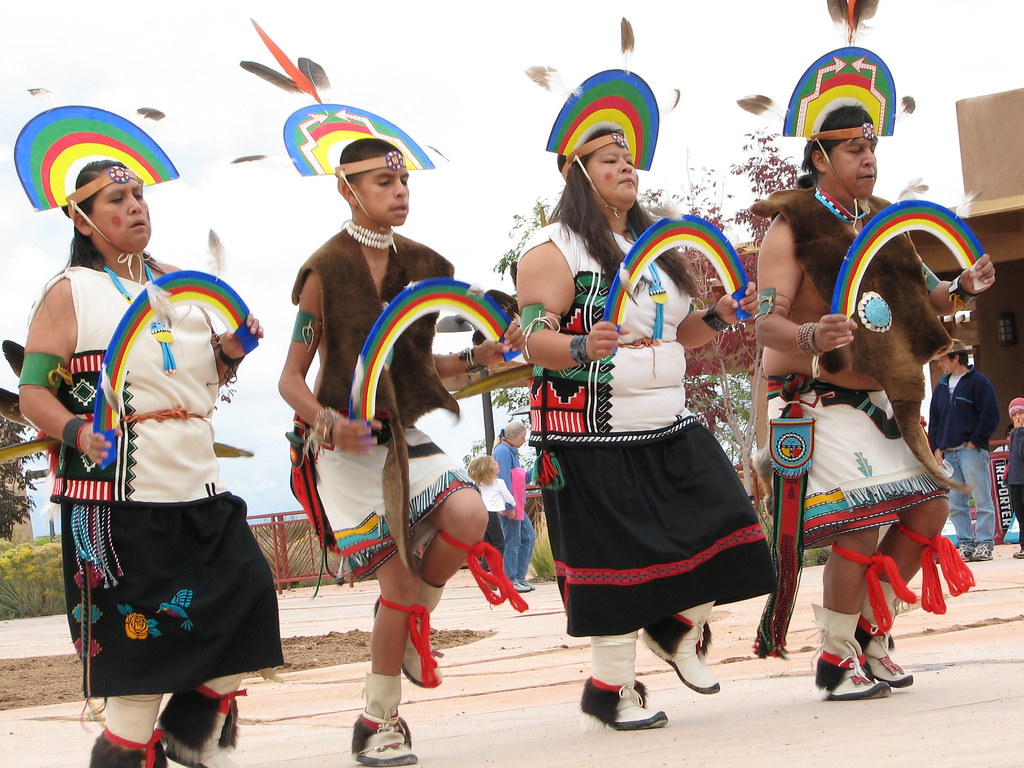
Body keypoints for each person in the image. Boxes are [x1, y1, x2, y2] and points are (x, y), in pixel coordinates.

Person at [516, 67, 775, 732]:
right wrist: (581, 346)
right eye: (610, 159)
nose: (626, 167)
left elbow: (678, 335)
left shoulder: (655, 247)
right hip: (589, 433)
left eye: (629, 157)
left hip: (667, 420)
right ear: (579, 172)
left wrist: (719, 316)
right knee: (614, 566)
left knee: (731, 524)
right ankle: (612, 691)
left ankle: (677, 628)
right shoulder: (552, 251)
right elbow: (534, 340)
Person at [17, 157, 282, 768]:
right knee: (136, 669)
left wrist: (231, 351)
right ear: (82, 219)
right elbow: (33, 394)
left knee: (249, 603)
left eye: (138, 194)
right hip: (117, 501)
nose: (135, 205)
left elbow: (198, 379)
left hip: (200, 485)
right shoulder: (69, 292)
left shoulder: (180, 288)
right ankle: (131, 751)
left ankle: (186, 734)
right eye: (116, 198)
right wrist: (77, 430)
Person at [278, 135, 524, 767]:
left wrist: (478, 356)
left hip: (404, 438)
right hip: (345, 448)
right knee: (398, 582)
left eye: (404, 181)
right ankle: (377, 721)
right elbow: (290, 381)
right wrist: (330, 425)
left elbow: (420, 367)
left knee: (470, 513)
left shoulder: (425, 264)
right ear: (347, 189)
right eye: (383, 182)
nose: (399, 192)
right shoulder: (323, 271)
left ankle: (417, 617)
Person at [754, 95, 996, 703]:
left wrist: (963, 286)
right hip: (814, 399)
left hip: (879, 399)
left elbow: (926, 295)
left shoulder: (884, 220)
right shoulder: (790, 225)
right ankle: (835, 657)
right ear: (820, 157)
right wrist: (812, 336)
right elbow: (766, 326)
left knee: (930, 510)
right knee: (859, 525)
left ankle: (868, 630)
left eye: (872, 149)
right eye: (854, 149)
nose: (868, 160)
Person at [928, 340, 1001, 562]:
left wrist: (975, 442)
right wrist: (936, 447)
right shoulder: (941, 387)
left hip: (971, 451)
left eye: (942, 358)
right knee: (956, 503)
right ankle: (966, 544)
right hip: (948, 454)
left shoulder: (979, 383)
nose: (939, 363)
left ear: (956, 358)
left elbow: (990, 415)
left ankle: (985, 543)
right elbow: (935, 420)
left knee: (981, 498)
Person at [493, 421, 535, 592]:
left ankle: (519, 577)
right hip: (510, 505)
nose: (524, 441)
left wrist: (537, 467)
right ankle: (510, 580)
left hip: (516, 505)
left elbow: (522, 479)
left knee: (528, 537)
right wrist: (507, 504)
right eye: (522, 437)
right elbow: (502, 479)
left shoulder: (510, 453)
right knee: (512, 540)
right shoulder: (502, 452)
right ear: (514, 437)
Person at [467, 455, 516, 580]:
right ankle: (494, 572)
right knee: (499, 544)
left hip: (480, 514)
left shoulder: (478, 484)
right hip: (491, 515)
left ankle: (483, 572)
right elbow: (509, 498)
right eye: (494, 464)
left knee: (488, 544)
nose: (498, 464)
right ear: (489, 469)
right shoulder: (499, 482)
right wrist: (513, 505)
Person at [1007, 398, 1024, 558]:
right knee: (1020, 515)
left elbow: (1021, 453)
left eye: (1021, 413)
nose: (1018, 417)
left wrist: (1020, 432)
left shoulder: (1018, 433)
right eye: (1015, 415)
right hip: (1015, 480)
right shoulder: (1014, 434)